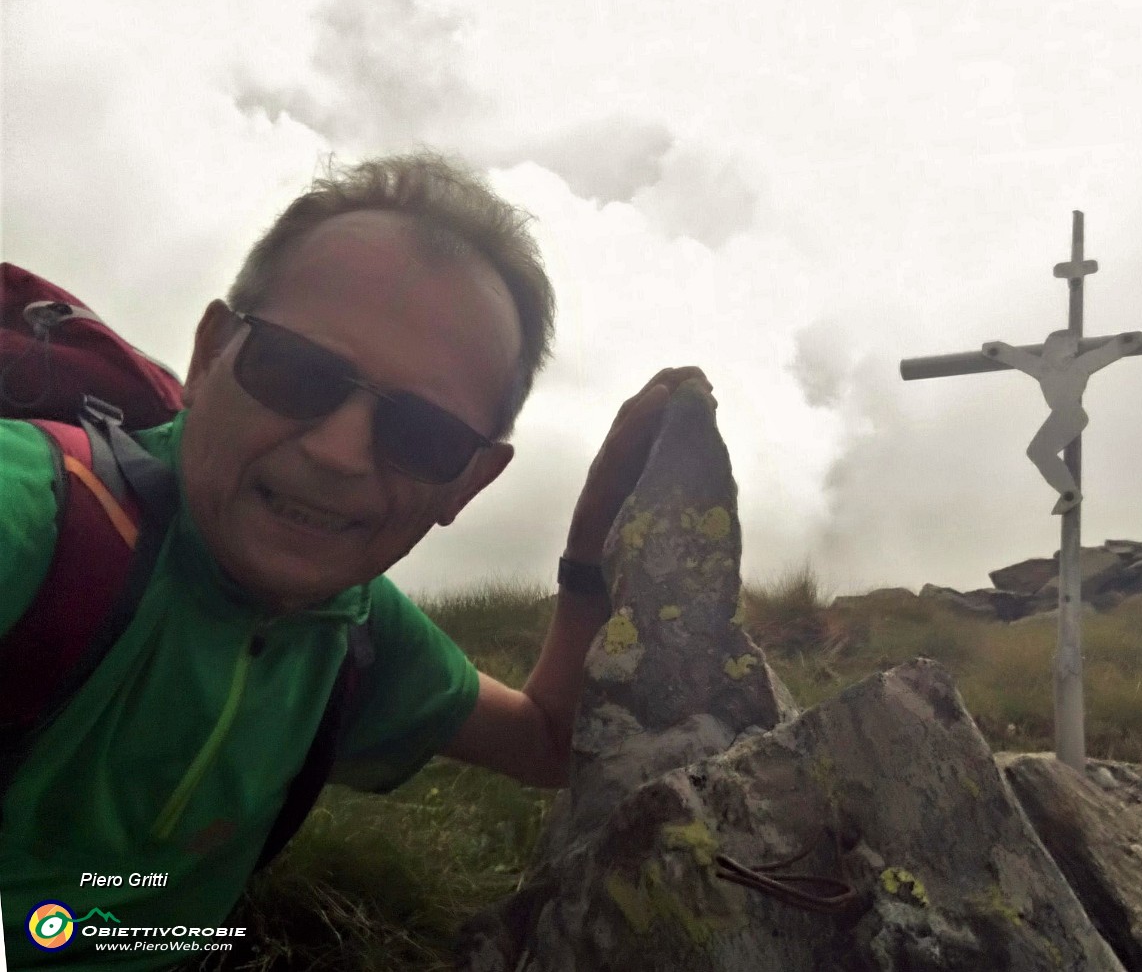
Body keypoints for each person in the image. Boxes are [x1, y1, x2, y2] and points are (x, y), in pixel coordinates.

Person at [0, 152, 710, 969]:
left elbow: (549, 742)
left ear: (469, 483)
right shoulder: (41, 521)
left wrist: (590, 550)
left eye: (424, 436)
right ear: (208, 357)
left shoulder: (355, 632)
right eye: (298, 373)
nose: (340, 452)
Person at [982, 329, 1140, 514]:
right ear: (1054, 348)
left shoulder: (1079, 365)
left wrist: (1126, 342)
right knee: (1037, 451)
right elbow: (1018, 358)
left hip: (1070, 414)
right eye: (1070, 346)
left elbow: (1104, 354)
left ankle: (1069, 492)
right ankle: (1069, 493)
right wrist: (996, 350)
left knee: (1038, 451)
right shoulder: (1043, 368)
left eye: (1074, 347)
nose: (1073, 351)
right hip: (1063, 414)